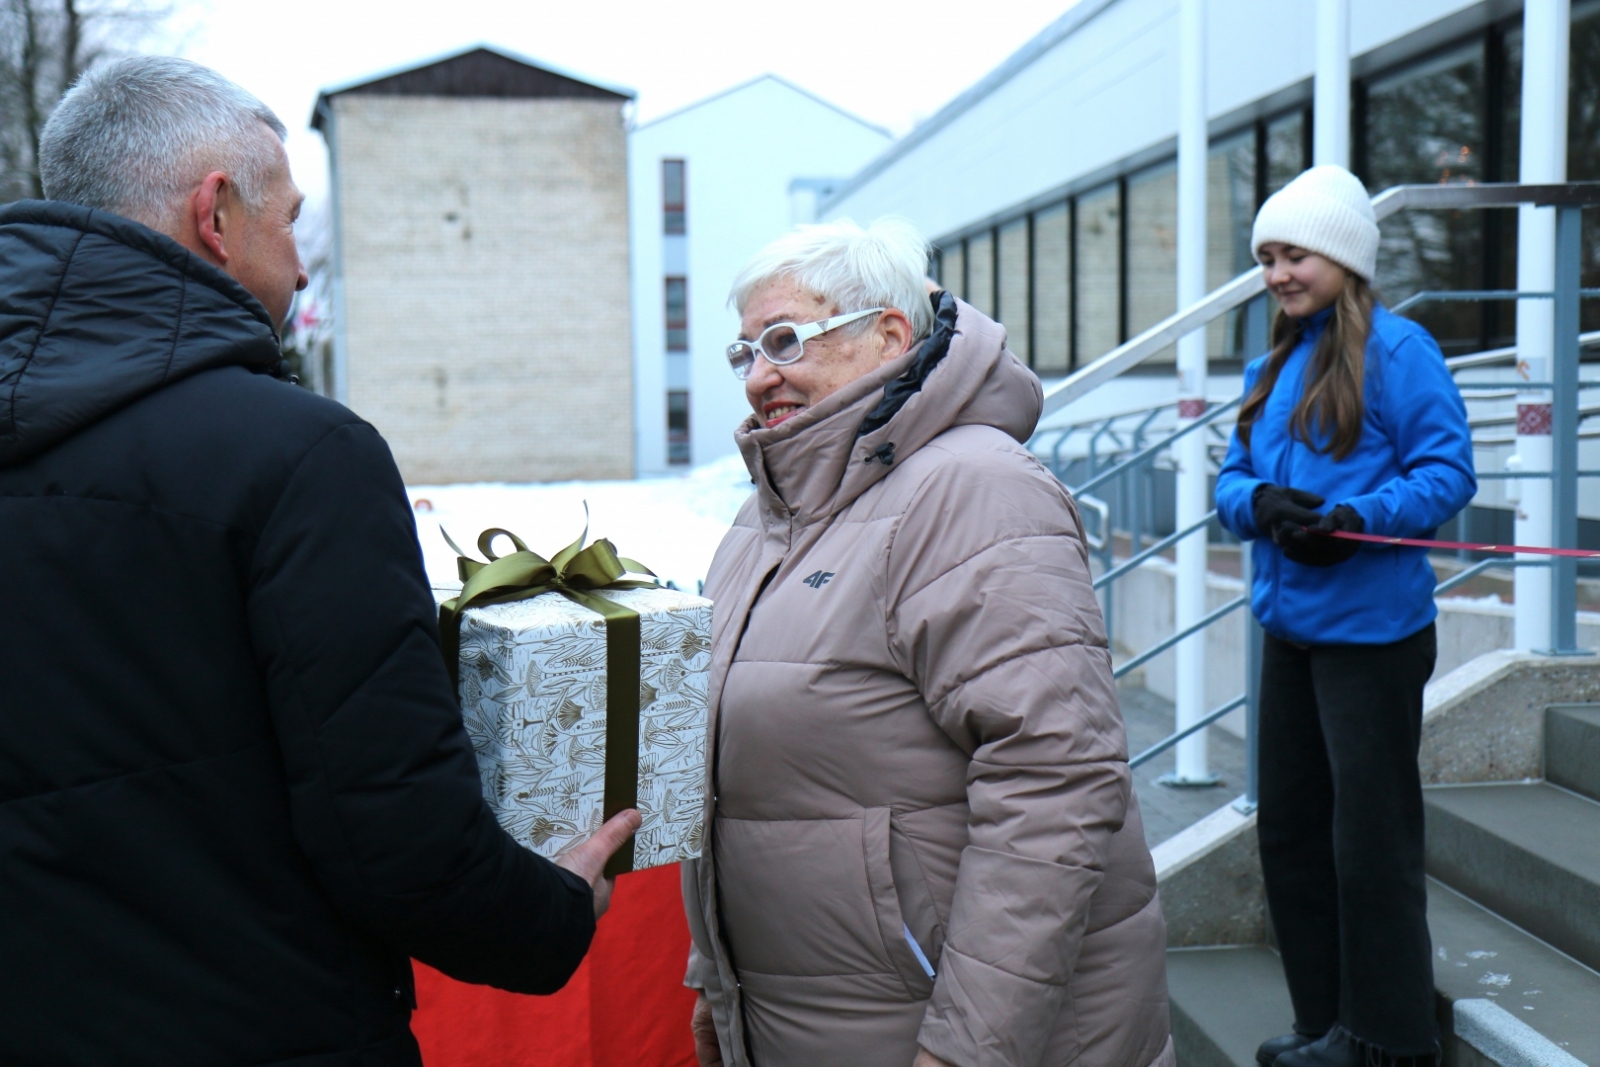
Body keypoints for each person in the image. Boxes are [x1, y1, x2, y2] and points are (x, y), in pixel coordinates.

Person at [0, 56, 638, 1067]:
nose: (302, 268)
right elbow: (397, 837)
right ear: (217, 214)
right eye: (291, 222)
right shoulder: (299, 453)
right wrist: (554, 907)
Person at [680, 218, 1174, 1067]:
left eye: (786, 341)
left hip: (947, 1033)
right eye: (745, 352)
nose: (760, 376)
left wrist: (966, 1052)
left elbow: (1056, 780)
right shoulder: (770, 517)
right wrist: (717, 982)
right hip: (814, 1018)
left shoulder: (975, 490)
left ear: (889, 335)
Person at [1215, 165, 1476, 1067]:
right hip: (1289, 630)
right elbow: (1228, 480)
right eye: (1267, 258)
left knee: (1370, 841)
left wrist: (1360, 517)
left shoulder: (1401, 351)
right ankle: (1326, 1018)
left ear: (1342, 256)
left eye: (1295, 255)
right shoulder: (1272, 361)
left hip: (1373, 636)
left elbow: (1447, 472)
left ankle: (1392, 1037)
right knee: (1289, 830)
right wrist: (1264, 505)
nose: (1279, 273)